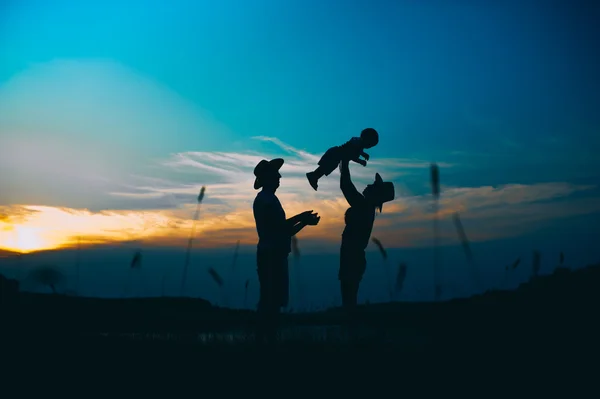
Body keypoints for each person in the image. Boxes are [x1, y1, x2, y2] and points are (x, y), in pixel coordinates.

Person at [252, 158, 320, 344]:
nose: (279, 176)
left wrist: (304, 222)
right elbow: (280, 227)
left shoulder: (269, 199)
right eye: (275, 174)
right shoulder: (266, 200)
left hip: (274, 254)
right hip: (271, 256)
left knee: (270, 301)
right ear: (267, 178)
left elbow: (284, 231)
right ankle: (265, 341)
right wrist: (302, 217)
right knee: (270, 301)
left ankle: (266, 340)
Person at [338, 158, 395, 317]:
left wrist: (345, 162)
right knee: (349, 294)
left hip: (352, 255)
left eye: (373, 186)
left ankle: (351, 329)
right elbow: (346, 186)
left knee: (348, 295)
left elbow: (346, 186)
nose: (369, 185)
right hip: (354, 254)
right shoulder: (366, 207)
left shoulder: (363, 206)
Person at [306, 128, 379, 191]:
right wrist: (360, 161)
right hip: (335, 154)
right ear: (366, 140)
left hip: (336, 155)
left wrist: (363, 154)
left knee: (326, 168)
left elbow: (356, 152)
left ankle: (314, 176)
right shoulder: (356, 143)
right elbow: (351, 155)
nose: (369, 147)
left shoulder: (358, 144)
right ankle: (313, 176)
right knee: (326, 167)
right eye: (369, 145)